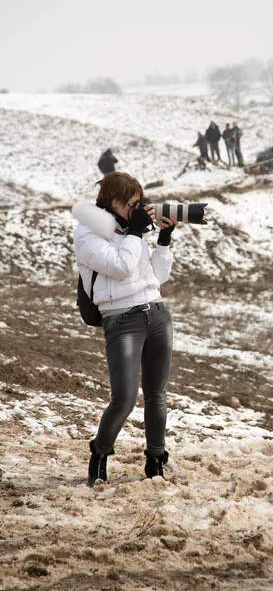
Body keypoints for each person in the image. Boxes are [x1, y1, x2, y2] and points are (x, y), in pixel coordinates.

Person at [72, 171, 178, 486]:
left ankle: (155, 458)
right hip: (122, 320)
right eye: (131, 203)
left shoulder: (130, 229)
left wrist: (163, 240)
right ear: (115, 201)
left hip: (156, 313)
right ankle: (100, 453)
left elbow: (157, 277)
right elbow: (121, 268)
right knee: (125, 398)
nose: (136, 209)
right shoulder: (88, 235)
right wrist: (134, 233)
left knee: (157, 394)